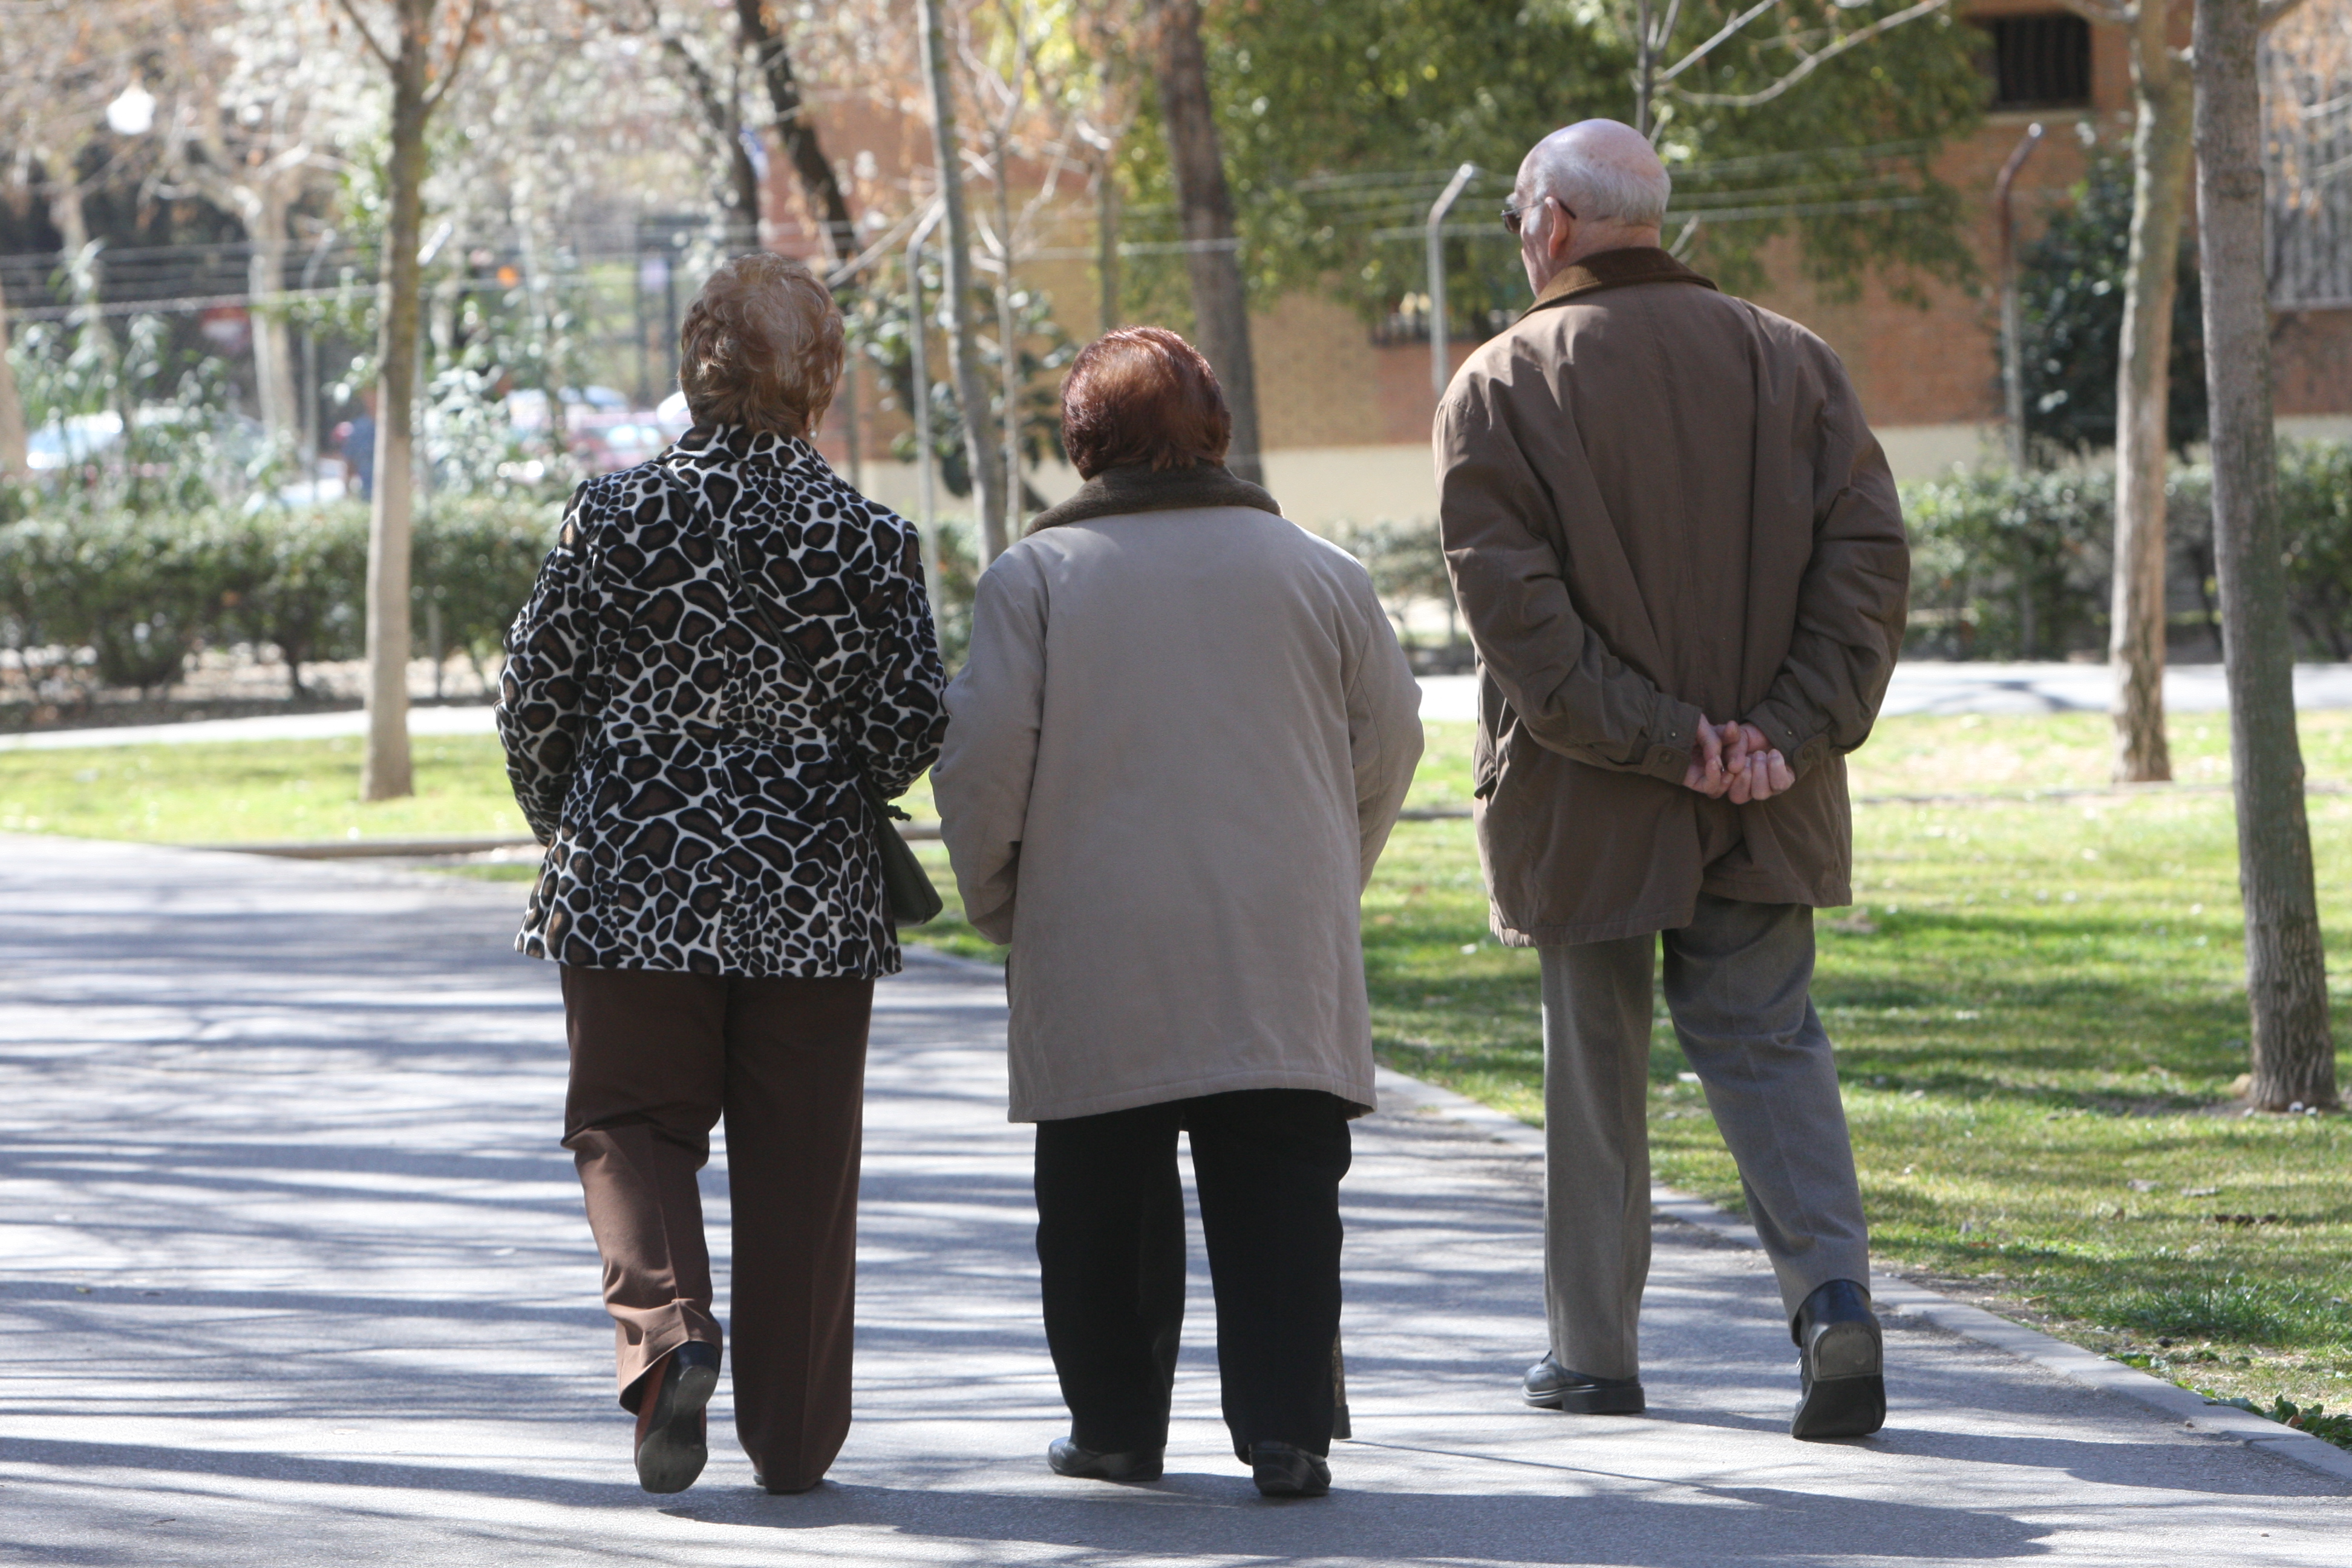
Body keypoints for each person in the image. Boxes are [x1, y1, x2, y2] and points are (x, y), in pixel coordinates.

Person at [1435, 121, 1909, 1441]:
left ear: (1547, 223)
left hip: (1591, 795)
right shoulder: (1793, 360)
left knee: (1595, 1070)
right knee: (1769, 1045)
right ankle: (1832, 1303)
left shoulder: (1500, 384)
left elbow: (1518, 622)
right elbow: (1867, 572)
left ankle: (1595, 1354)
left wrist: (1665, 738)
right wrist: (1775, 734)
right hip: (1769, 788)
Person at [933, 327, 1423, 1499]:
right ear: (1216, 431)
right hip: (1278, 935)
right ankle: (1287, 1431)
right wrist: (1329, 868)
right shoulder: (1320, 571)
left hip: (1100, 935)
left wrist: (1004, 899)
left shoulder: (1035, 580)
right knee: (1285, 1197)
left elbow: (982, 760)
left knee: (1100, 1201)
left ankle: (1115, 1425)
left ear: (1083, 443)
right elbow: (1393, 737)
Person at [495, 252, 946, 1495]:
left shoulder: (612, 515)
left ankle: (670, 1337)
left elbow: (536, 698)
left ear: (693, 370)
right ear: (822, 381)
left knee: (630, 1125)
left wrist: (567, 822)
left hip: (632, 877)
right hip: (811, 899)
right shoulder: (867, 538)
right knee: (804, 1163)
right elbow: (911, 723)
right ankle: (796, 1444)